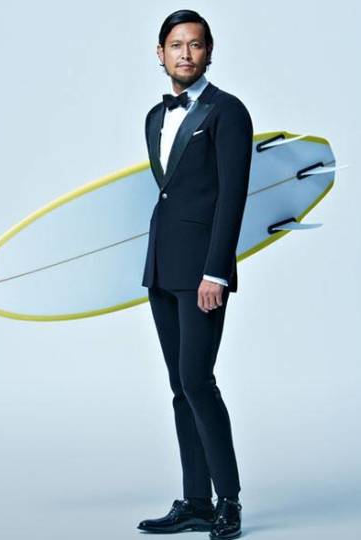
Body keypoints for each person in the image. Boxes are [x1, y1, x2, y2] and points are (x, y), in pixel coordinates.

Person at [137, 9, 253, 540]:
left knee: (197, 381)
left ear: (209, 51)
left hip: (203, 274)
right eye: (176, 45)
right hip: (163, 267)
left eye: (196, 44)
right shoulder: (153, 118)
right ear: (160, 53)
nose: (186, 54)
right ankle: (196, 501)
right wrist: (155, 265)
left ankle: (228, 500)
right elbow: (169, 194)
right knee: (178, 387)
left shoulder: (228, 112)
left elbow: (232, 197)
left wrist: (216, 273)